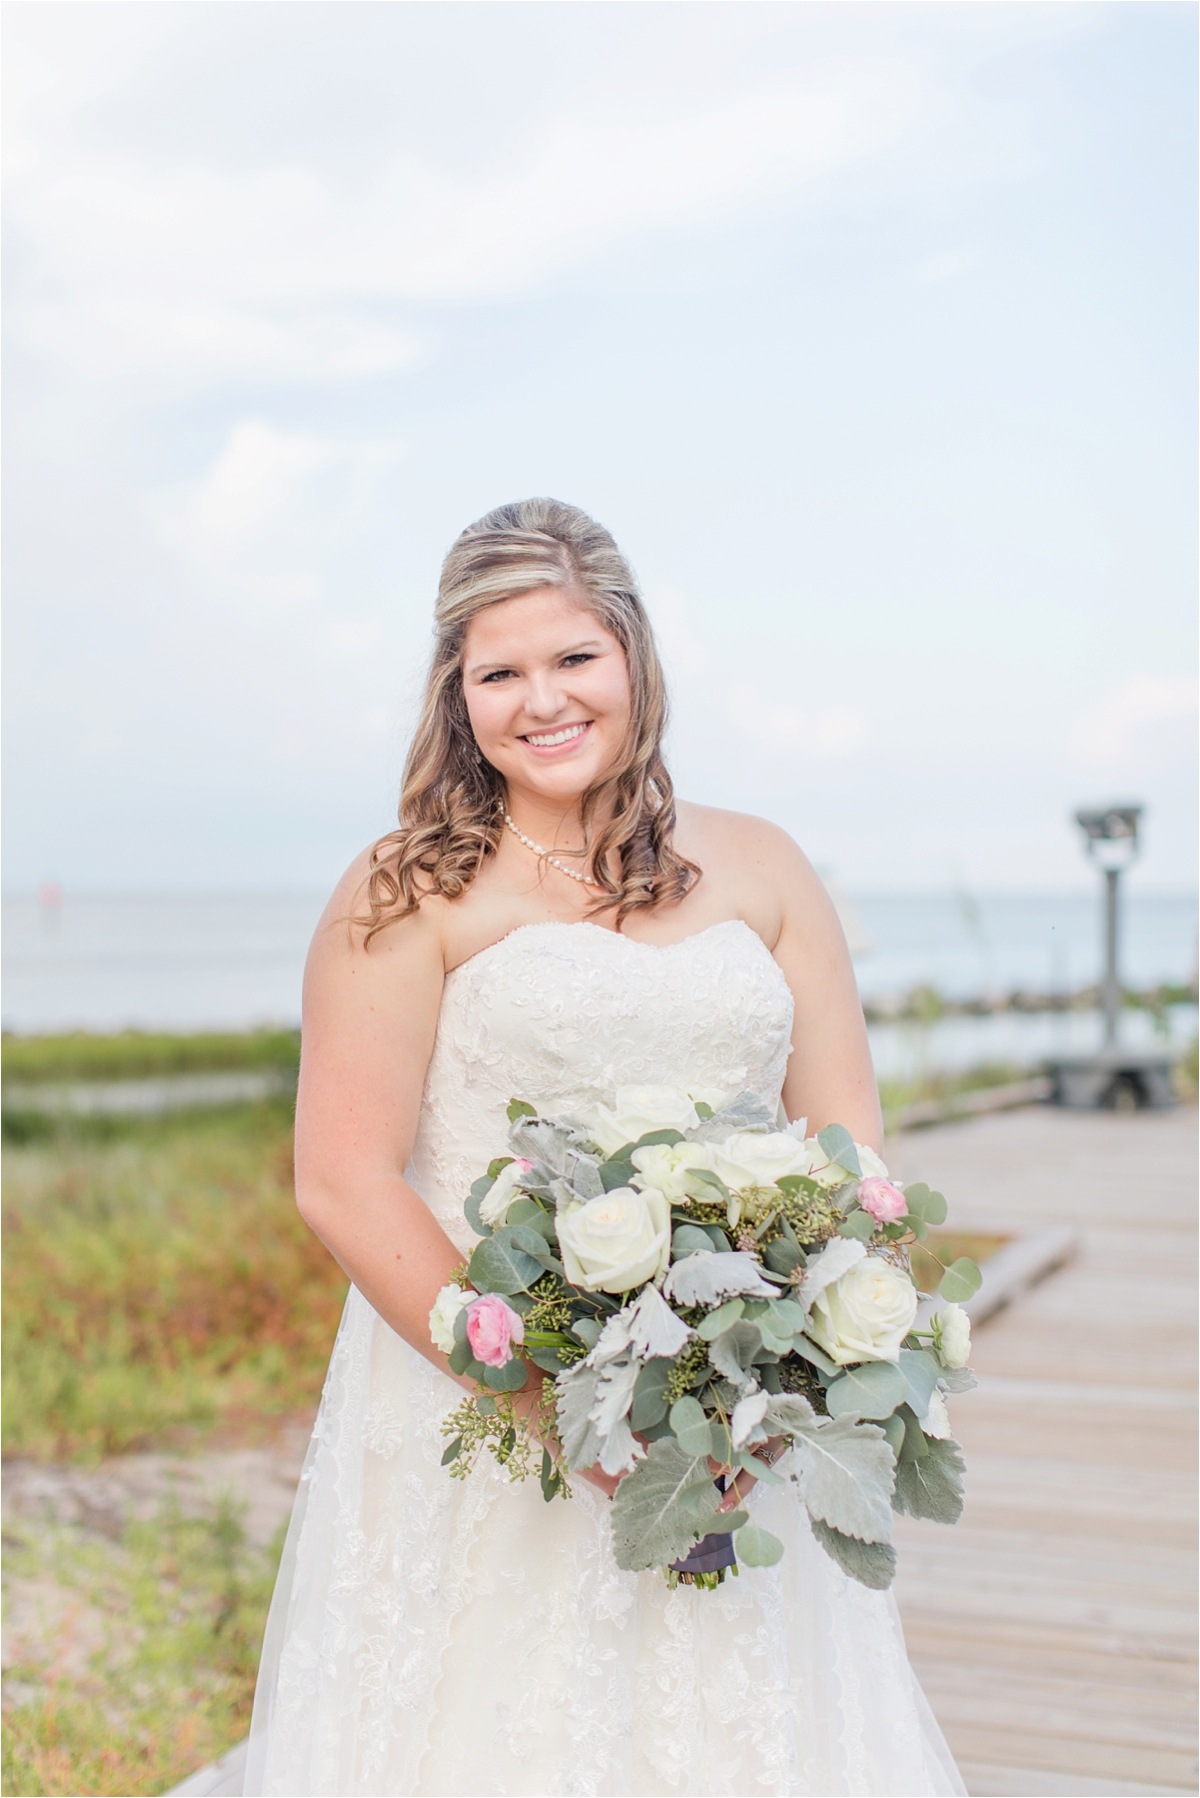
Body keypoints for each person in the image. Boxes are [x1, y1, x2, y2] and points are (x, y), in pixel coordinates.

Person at [244, 499, 965, 1797]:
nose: (542, 698)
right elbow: (342, 1177)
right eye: (499, 670)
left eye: (573, 656)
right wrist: (545, 1399)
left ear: (632, 655)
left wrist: (798, 1357)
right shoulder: (407, 887)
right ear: (454, 694)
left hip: (733, 1405)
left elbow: (852, 1147)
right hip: (489, 1400)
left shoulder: (764, 864)